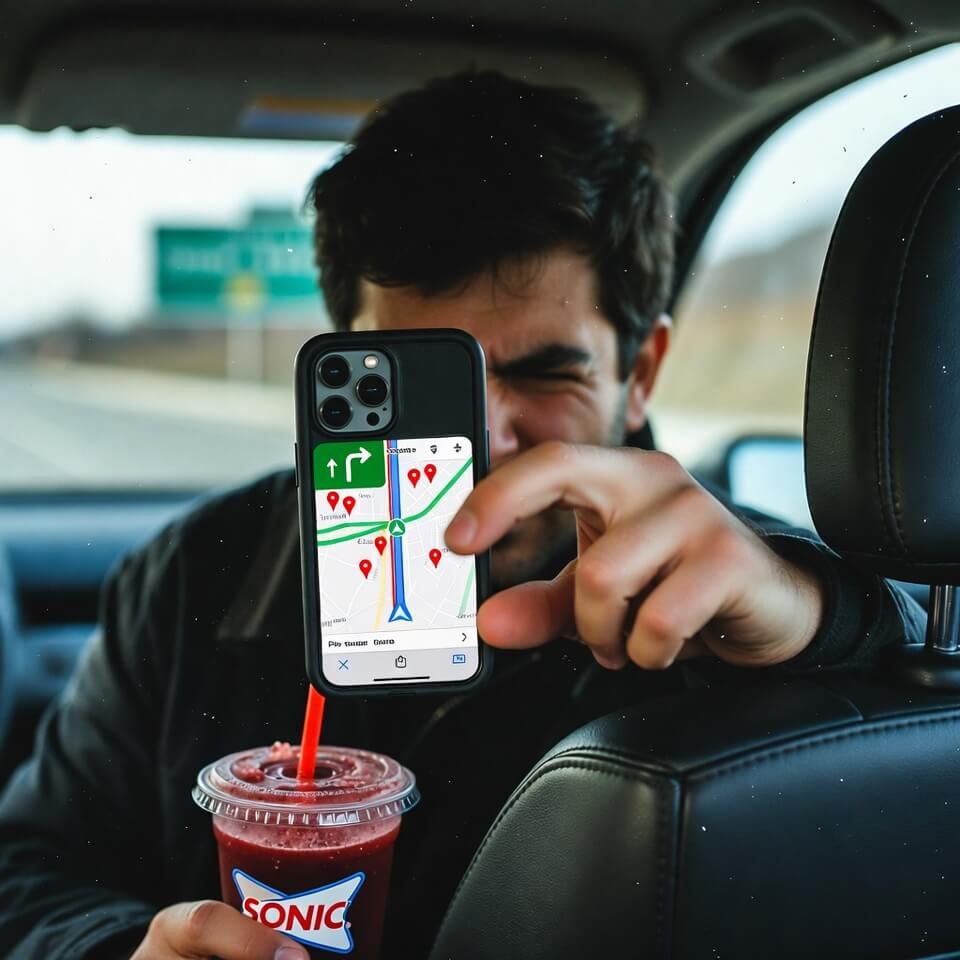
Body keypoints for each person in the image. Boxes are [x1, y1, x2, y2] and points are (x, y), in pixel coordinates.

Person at [0, 71, 925, 960]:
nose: (478, 439)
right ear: (341, 355)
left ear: (640, 373)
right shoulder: (189, 574)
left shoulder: (736, 595)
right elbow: (30, 868)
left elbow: (911, 681)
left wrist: (820, 613)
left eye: (543, 372)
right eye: (410, 376)